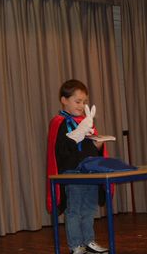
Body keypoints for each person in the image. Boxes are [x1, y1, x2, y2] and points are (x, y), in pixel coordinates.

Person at [46, 79, 109, 254]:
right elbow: (61, 150)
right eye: (78, 101)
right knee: (74, 210)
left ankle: (89, 241)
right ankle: (76, 245)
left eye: (85, 102)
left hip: (88, 171)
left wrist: (98, 144)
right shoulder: (59, 122)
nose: (82, 105)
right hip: (71, 172)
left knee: (89, 208)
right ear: (64, 100)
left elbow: (91, 149)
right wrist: (78, 134)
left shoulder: (87, 121)